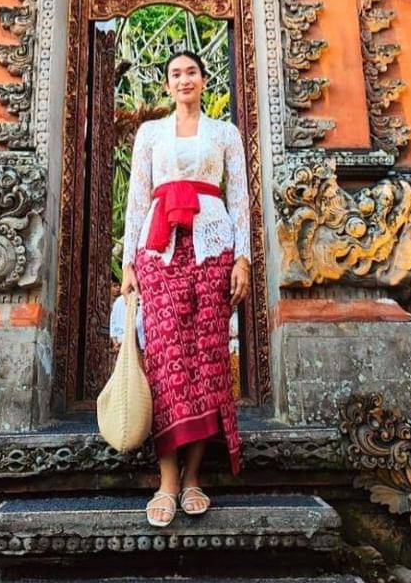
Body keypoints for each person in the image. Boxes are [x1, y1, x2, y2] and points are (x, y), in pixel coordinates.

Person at [120, 50, 251, 528]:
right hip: (159, 251)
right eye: (175, 74)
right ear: (167, 84)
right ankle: (167, 480)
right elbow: (137, 198)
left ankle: (194, 477)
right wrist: (128, 261)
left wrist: (243, 258)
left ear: (203, 79)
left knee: (207, 359)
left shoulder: (225, 133)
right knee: (165, 356)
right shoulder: (150, 134)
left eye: (191, 72)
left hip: (213, 248)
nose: (183, 80)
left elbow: (239, 198)